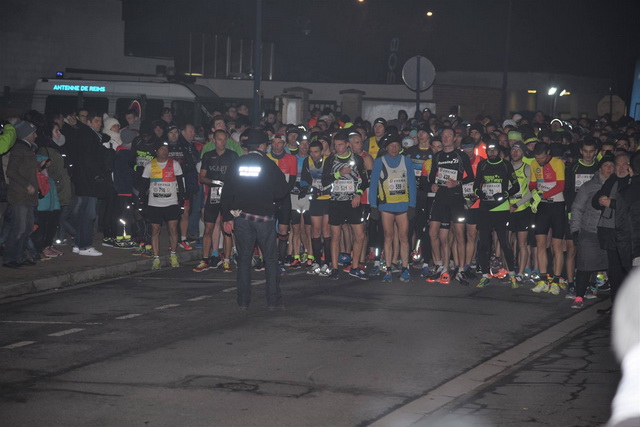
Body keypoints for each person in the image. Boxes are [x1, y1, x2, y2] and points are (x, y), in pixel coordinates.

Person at [221, 129, 289, 311]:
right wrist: (269, 195)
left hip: (242, 218)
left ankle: (243, 301)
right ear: (262, 146)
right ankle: (273, 301)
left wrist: (227, 217)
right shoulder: (269, 164)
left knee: (244, 260)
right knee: (271, 260)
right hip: (264, 219)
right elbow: (283, 190)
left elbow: (226, 192)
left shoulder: (238, 164)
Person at [426, 127, 475, 285]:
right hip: (440, 199)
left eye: (449, 136)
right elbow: (432, 177)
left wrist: (457, 182)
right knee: (434, 233)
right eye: (444, 135)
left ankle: (461, 270)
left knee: (460, 234)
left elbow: (471, 177)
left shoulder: (461, 156)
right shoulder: (438, 156)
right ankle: (441, 266)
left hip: (456, 200)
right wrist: (432, 185)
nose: (446, 138)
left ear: (455, 138)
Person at [368, 133, 416, 282]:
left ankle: (405, 268)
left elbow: (412, 184)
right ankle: (388, 269)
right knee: (388, 237)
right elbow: (373, 184)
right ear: (387, 147)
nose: (394, 148)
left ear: (400, 147)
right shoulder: (379, 162)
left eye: (396, 146)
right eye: (391, 146)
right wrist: (373, 206)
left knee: (404, 237)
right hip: (386, 205)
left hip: (402, 204)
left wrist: (412, 205)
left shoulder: (406, 161)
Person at [569, 153, 615, 309]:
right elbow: (577, 208)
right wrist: (575, 229)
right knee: (584, 266)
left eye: (612, 165)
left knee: (613, 268)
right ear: (600, 168)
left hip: (610, 232)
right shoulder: (589, 186)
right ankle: (579, 296)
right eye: (606, 165)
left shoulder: (619, 185)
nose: (609, 168)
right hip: (590, 231)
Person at [322, 130, 369, 280]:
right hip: (336, 202)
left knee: (360, 235)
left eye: (341, 145)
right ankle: (335, 268)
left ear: (347, 144)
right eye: (335, 145)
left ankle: (355, 267)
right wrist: (339, 174)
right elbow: (325, 181)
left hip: (352, 202)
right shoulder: (331, 160)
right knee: (335, 236)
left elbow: (365, 180)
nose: (338, 148)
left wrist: (358, 194)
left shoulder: (357, 159)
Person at [473, 141, 520, 289]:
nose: (492, 153)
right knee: (484, 244)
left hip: (501, 208)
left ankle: (512, 274)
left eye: (495, 150)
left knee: (504, 243)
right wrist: (480, 193)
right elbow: (476, 186)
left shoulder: (506, 165)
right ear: (487, 152)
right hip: (485, 209)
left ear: (499, 151)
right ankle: (485, 275)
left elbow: (516, 185)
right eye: (490, 150)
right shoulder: (483, 165)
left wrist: (505, 194)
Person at [593, 152, 633, 313]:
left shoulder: (634, 182)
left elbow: (632, 206)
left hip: (628, 233)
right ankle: (616, 305)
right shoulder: (613, 180)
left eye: (625, 164)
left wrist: (613, 203)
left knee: (628, 270)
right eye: (618, 165)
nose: (621, 168)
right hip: (610, 231)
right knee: (614, 271)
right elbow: (595, 201)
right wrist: (601, 199)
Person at [193, 129, 238, 273]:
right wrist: (215, 182)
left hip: (228, 196)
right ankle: (205, 259)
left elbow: (238, 176)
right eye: (219, 139)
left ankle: (226, 260)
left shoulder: (233, 155)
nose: (222, 142)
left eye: (224, 139)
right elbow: (202, 177)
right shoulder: (207, 155)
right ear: (214, 140)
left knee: (228, 229)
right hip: (213, 194)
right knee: (208, 228)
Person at [140, 140, 185, 270]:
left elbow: (181, 184)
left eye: (166, 149)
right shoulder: (150, 165)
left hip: (171, 202)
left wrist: (181, 200)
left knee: (173, 229)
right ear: (156, 151)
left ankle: (173, 255)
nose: (164, 151)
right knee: (155, 230)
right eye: (161, 149)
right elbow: (143, 185)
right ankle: (156, 258)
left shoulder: (174, 164)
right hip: (154, 203)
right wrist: (141, 202)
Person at [529, 142, 566, 295]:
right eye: (537, 158)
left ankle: (556, 281)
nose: (540, 161)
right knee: (540, 243)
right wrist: (534, 193)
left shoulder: (557, 163)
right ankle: (543, 279)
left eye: (543, 158)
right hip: (542, 208)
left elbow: (560, 186)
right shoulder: (533, 163)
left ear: (548, 153)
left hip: (557, 207)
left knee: (556, 246)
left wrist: (543, 195)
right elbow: (532, 184)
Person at [3, 121, 38, 268]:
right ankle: (9, 258)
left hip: (28, 196)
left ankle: (19, 256)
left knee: (27, 228)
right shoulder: (19, 149)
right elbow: (11, 171)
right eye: (34, 133)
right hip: (19, 195)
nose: (36, 135)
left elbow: (26, 169)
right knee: (19, 228)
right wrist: (27, 184)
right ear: (27, 135)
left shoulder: (28, 149)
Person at [266, 132, 297, 274]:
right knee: (269, 231)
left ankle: (281, 261)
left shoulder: (291, 159)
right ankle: (269, 260)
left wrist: (280, 196)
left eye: (279, 143)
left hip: (284, 199)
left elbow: (290, 182)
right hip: (269, 199)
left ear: (284, 144)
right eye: (274, 142)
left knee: (283, 231)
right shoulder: (266, 158)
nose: (276, 145)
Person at [300, 140, 331, 275]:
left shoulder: (328, 161)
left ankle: (327, 263)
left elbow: (331, 179)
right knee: (316, 231)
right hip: (315, 200)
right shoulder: (307, 162)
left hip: (328, 199)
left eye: (316, 151)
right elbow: (304, 179)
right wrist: (307, 188)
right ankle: (317, 262)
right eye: (311, 152)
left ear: (321, 151)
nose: (314, 154)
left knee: (326, 230)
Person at [509, 141, 534, 284]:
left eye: (518, 150)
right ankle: (509, 270)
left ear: (523, 153)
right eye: (513, 150)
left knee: (522, 243)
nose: (515, 153)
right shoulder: (506, 167)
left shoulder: (527, 168)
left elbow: (531, 191)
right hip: (507, 208)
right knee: (506, 242)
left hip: (522, 209)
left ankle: (521, 273)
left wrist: (517, 204)